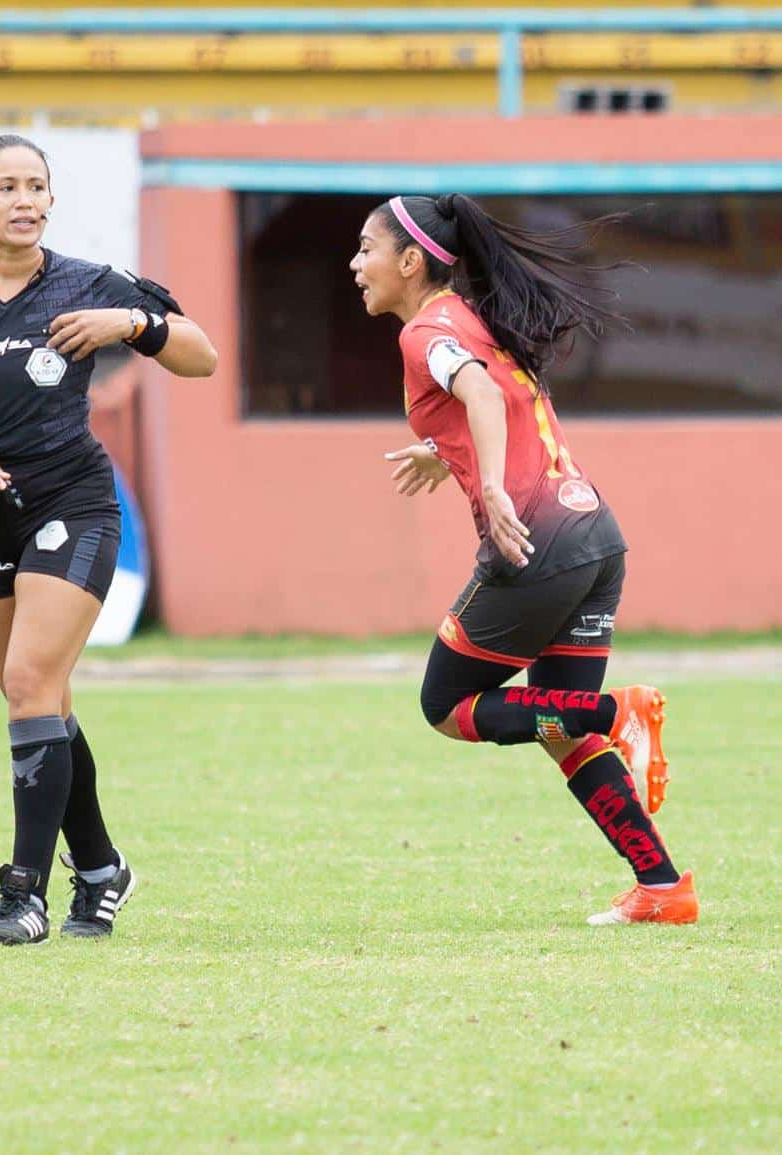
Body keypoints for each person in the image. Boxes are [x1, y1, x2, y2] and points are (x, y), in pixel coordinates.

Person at [0, 134, 219, 946]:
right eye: (6, 186)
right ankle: (103, 869)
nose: (25, 200)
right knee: (37, 697)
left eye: (37, 185)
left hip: (72, 501)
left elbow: (201, 356)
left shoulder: (87, 283)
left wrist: (132, 322)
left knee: (32, 681)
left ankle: (23, 896)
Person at [353, 193, 696, 925]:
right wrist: (444, 452)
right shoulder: (472, 318)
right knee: (560, 725)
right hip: (594, 535)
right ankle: (662, 885)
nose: (355, 265)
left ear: (410, 261)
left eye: (365, 249)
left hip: (535, 546)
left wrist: (496, 497)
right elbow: (502, 399)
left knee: (444, 706)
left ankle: (621, 709)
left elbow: (477, 391)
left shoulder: (424, 331)